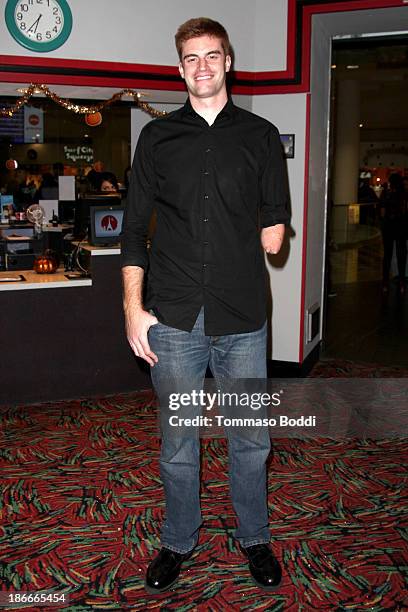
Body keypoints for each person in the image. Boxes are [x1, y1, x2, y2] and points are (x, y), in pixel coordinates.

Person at [121, 17, 290, 594]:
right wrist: (131, 307)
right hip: (172, 318)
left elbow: (275, 219)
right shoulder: (158, 138)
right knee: (179, 440)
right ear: (179, 68)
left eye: (211, 55)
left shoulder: (262, 136)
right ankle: (178, 540)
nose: (202, 66)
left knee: (249, 436)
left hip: (242, 316)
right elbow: (132, 235)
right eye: (191, 58)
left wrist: (275, 230)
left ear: (228, 60)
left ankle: (255, 537)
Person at [379, 173, 407, 294]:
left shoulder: (386, 194)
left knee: (387, 255)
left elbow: (382, 213)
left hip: (389, 227)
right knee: (402, 254)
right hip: (402, 227)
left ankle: (385, 283)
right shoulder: (405, 194)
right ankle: (401, 282)